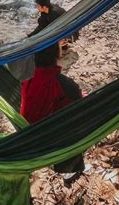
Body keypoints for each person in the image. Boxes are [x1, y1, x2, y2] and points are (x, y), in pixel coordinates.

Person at [20, 43, 85, 175]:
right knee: (77, 123)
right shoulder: (63, 84)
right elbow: (80, 107)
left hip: (28, 131)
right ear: (57, 54)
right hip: (50, 136)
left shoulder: (27, 77)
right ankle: (70, 170)